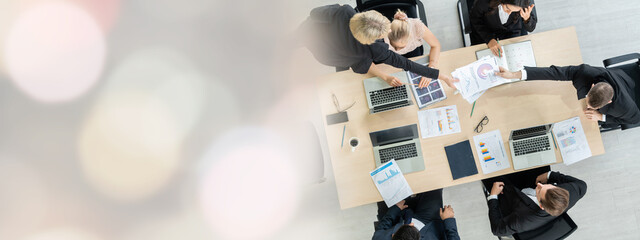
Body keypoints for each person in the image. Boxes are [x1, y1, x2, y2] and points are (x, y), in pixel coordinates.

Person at [297, 4, 457, 89]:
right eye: (384, 34)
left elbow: (314, 13)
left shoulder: (346, 11)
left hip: (310, 31)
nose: (389, 31)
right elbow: (407, 64)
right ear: (368, 39)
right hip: (326, 54)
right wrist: (444, 77)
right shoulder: (375, 49)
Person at [495, 64, 640, 125]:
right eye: (588, 101)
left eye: (591, 106)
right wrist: (514, 74)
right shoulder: (585, 72)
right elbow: (554, 72)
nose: (587, 106)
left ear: (608, 103)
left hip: (631, 92)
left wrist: (601, 117)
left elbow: (634, 120)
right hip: (618, 76)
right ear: (592, 86)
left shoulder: (624, 107)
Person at [482, 167, 587, 236]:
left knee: (490, 170)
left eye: (540, 190)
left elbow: (497, 229)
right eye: (547, 186)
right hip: (527, 190)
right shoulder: (573, 192)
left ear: (541, 206)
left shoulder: (522, 219)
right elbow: (583, 184)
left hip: (510, 198)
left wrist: (493, 196)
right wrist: (549, 175)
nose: (540, 185)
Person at [373, 189, 460, 240]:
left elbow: (382, 227)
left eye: (409, 225)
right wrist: (449, 219)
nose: (411, 223)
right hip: (428, 222)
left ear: (393, 236)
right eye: (412, 226)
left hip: (396, 219)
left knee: (387, 187)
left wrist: (395, 209)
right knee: (433, 186)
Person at [470, 0, 536, 57]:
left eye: (514, 11)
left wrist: (527, 18)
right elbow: (475, 19)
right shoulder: (484, 2)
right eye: (507, 8)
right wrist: (489, 39)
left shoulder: (524, 3)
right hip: (486, 34)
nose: (509, 13)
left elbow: (531, 28)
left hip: (511, 36)